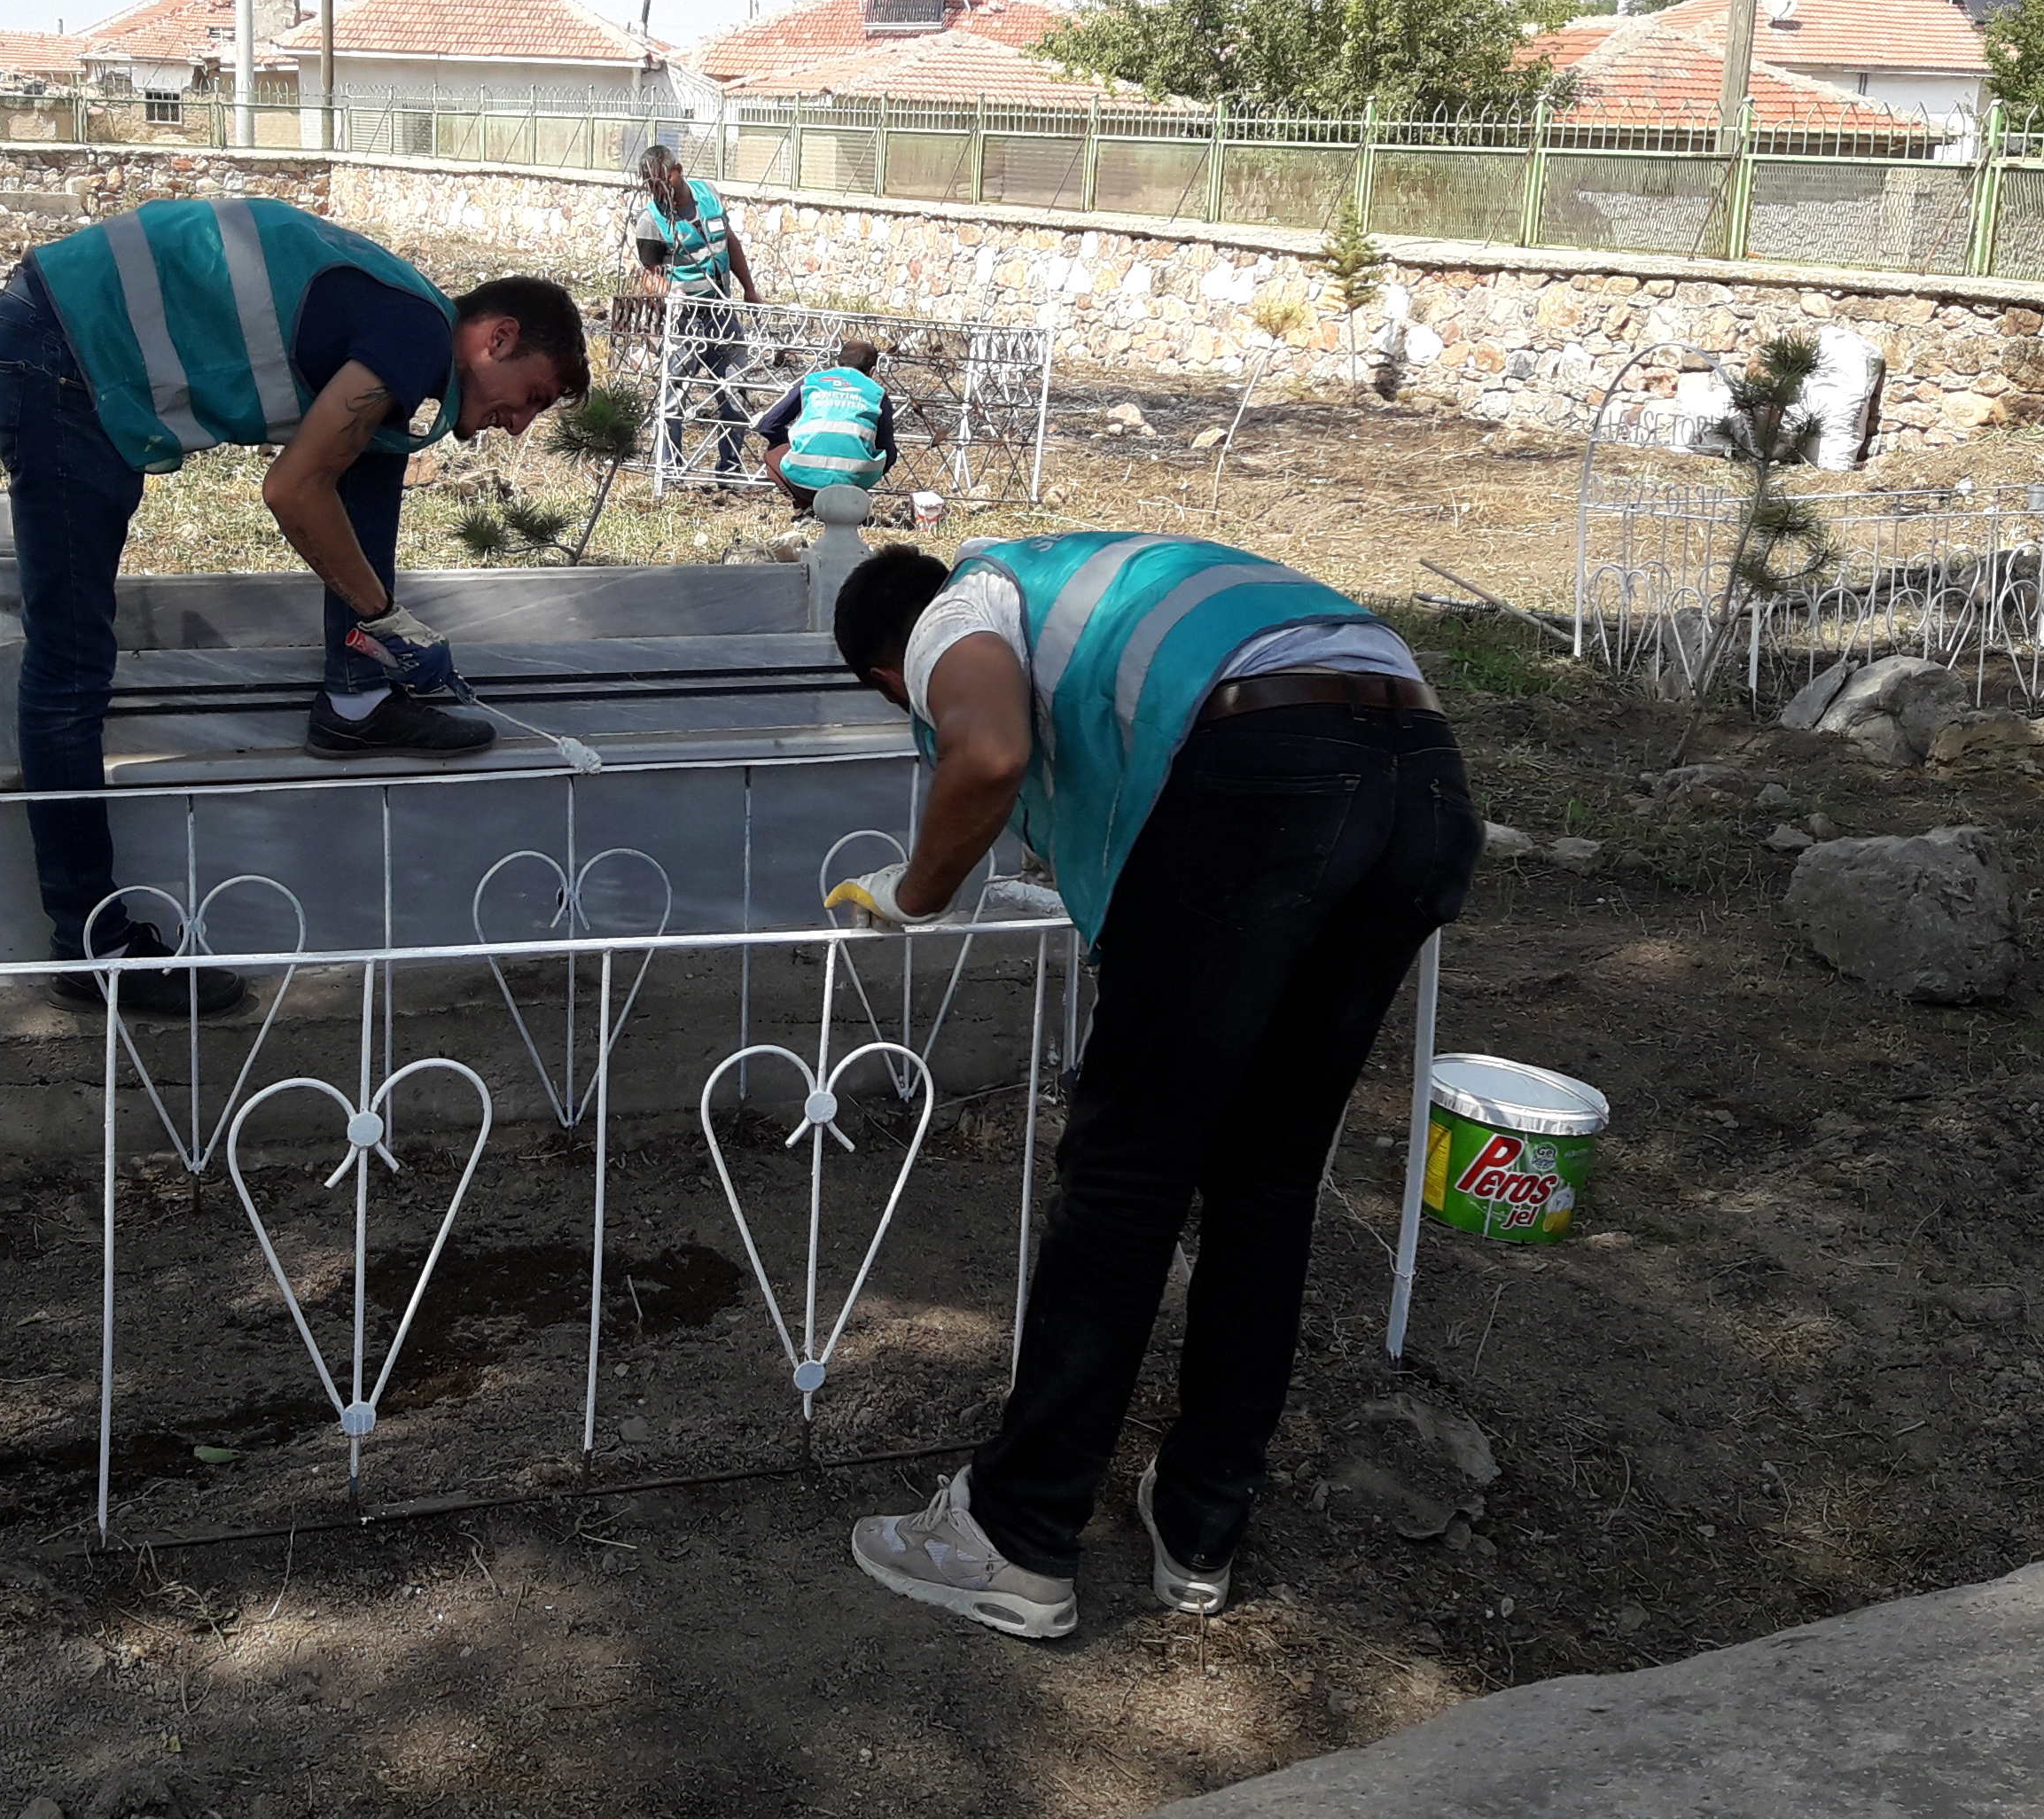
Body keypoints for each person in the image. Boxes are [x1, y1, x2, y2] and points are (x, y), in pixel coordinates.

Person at [821, 534, 1479, 1638]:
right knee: (1266, 1179)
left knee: (1126, 1181)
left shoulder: (960, 601)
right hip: (1420, 783)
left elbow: (984, 757)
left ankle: (1016, 1539)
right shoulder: (1098, 582)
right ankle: (1202, 1527)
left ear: (892, 678)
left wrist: (914, 891)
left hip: (1267, 777)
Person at [0, 197, 589, 1019]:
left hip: (59, 333)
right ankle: (95, 947)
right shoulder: (411, 331)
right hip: (61, 352)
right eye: (534, 396)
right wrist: (389, 623)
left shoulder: (399, 335)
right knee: (72, 657)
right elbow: (292, 488)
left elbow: (336, 470)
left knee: (375, 450)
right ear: (497, 338)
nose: (519, 426)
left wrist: (373, 642)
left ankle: (356, 699)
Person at [630, 144, 761, 476]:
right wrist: (669, 292)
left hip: (722, 314)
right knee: (673, 397)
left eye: (665, 182)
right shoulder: (651, 221)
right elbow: (649, 275)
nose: (662, 192)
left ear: (679, 171)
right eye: (653, 186)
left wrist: (748, 288)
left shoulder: (708, 194)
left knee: (734, 391)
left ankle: (729, 471)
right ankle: (669, 472)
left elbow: (729, 241)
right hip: (685, 320)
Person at [754, 339, 897, 513]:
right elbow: (888, 450)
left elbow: (767, 426)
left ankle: (804, 506)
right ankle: (845, 506)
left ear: (836, 364)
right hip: (854, 484)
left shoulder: (812, 382)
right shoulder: (877, 393)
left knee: (774, 452)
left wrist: (790, 444)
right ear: (872, 371)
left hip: (804, 481)